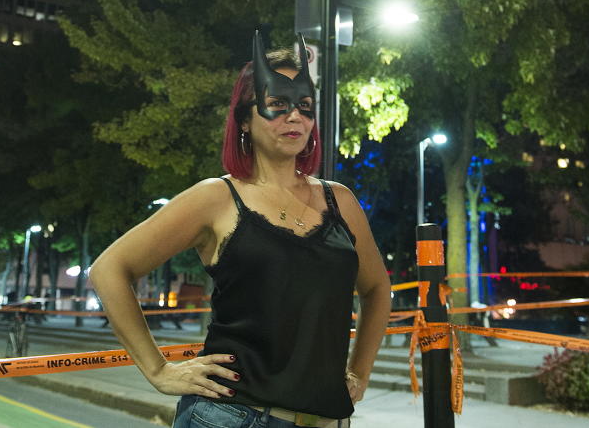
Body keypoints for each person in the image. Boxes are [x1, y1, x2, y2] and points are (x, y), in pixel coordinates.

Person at [90, 31, 391, 428]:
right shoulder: (216, 198)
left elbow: (376, 288)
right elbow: (109, 270)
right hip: (234, 416)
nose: (295, 116)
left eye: (304, 105)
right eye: (277, 105)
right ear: (245, 120)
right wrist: (159, 370)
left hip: (328, 419)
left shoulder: (341, 201)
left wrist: (360, 371)